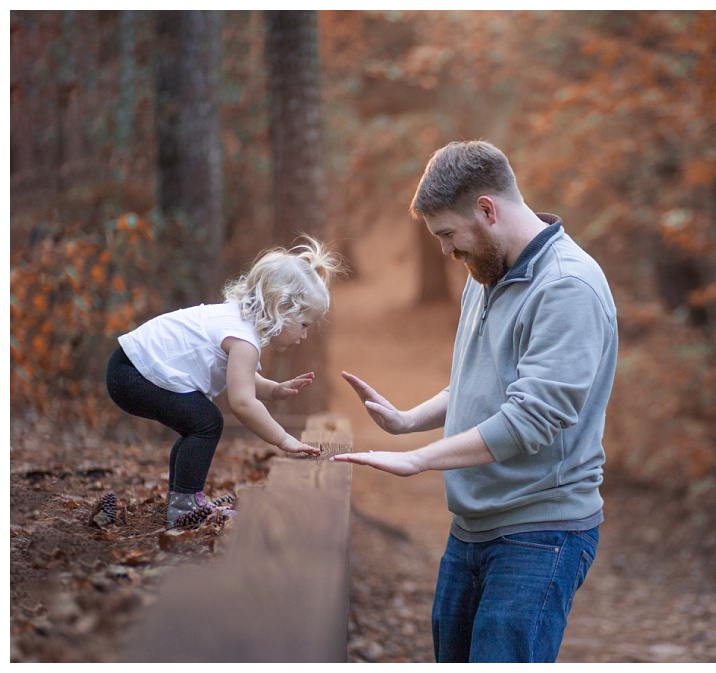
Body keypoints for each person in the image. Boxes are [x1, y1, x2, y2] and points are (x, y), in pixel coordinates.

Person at [333, 140, 618, 662]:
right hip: (471, 529)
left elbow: (530, 418)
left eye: (447, 235)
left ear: (487, 210)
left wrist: (420, 460)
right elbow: (480, 386)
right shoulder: (486, 273)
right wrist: (406, 421)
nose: (446, 251)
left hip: (539, 534)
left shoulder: (566, 287)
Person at [106, 236, 343, 527]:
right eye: (304, 325)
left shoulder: (237, 322)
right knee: (206, 422)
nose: (304, 336)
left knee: (196, 423)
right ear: (282, 309)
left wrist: (273, 390)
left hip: (126, 367)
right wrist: (284, 439)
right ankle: (184, 505)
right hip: (134, 373)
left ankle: (182, 498)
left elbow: (242, 378)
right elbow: (242, 402)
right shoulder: (244, 338)